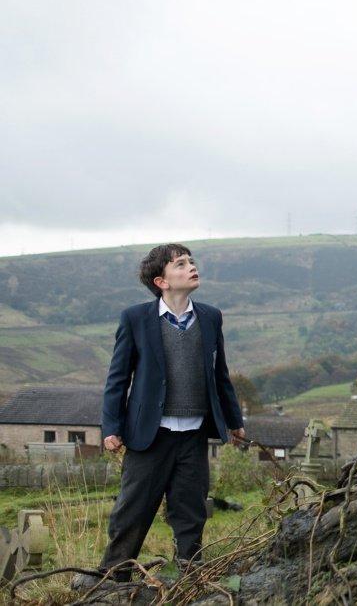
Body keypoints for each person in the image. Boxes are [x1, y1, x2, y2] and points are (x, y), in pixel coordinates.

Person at [74, 243, 245, 590]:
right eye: (180, 264)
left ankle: (191, 578)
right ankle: (112, 579)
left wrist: (234, 419)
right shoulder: (136, 318)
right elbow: (118, 378)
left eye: (191, 261)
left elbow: (220, 374)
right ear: (161, 281)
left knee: (190, 511)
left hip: (194, 434)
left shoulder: (211, 316)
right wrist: (111, 427)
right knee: (132, 511)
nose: (191, 267)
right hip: (149, 436)